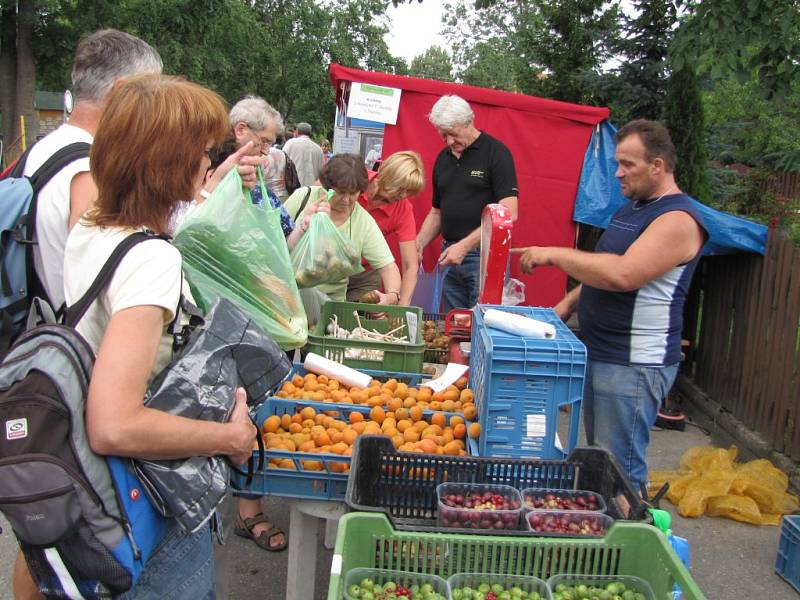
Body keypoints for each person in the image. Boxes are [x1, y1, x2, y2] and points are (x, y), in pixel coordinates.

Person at [62, 74, 257, 598]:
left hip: (100, 493)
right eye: (200, 150)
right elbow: (115, 424)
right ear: (167, 160)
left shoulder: (93, 227)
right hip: (145, 494)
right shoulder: (150, 259)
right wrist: (229, 438)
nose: (205, 161)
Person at [13, 29, 163, 600]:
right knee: (80, 527)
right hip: (79, 367)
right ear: (124, 91)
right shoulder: (89, 170)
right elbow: (102, 267)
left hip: (37, 352)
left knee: (42, 522)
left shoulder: (42, 149)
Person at [511, 119, 707, 492]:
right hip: (601, 353)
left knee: (619, 469)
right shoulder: (631, 209)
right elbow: (599, 270)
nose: (618, 173)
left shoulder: (678, 219)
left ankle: (629, 539)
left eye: (627, 164)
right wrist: (565, 306)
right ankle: (601, 536)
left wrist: (556, 254)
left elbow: (623, 274)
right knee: (598, 460)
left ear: (658, 166)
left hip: (634, 365)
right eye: (617, 163)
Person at [416, 95, 518, 313]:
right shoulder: (443, 158)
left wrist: (464, 246)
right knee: (452, 326)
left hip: (485, 258)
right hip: (450, 256)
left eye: (453, 134)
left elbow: (509, 212)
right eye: (443, 136)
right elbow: (436, 213)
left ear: (468, 121)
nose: (449, 141)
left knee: (484, 324)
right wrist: (418, 243)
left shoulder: (496, 153)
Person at [284, 153, 402, 303]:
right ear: (327, 186)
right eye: (340, 192)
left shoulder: (363, 221)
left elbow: (388, 267)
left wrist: (391, 296)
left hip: (330, 305)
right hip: (287, 295)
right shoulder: (302, 198)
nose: (346, 200)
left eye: (353, 193)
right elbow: (273, 240)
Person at [346, 151, 425, 306]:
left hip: (365, 274)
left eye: (409, 191)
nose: (403, 195)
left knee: (360, 321)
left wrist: (401, 307)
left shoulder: (402, 208)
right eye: (401, 188)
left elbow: (411, 265)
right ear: (387, 174)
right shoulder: (355, 181)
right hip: (329, 264)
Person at [282, 121, 323, 186]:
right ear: (310, 133)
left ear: (297, 131)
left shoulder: (290, 143)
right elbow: (321, 172)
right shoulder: (318, 149)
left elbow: (282, 163)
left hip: (293, 187)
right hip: (311, 188)